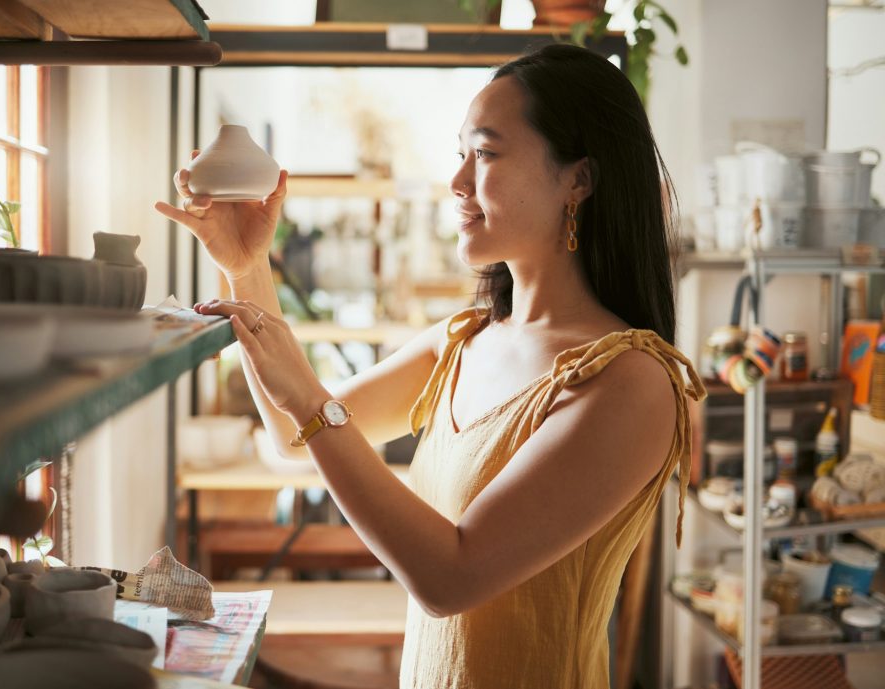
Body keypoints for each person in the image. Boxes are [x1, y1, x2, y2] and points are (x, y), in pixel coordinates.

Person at [156, 43, 706, 689]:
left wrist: (309, 397)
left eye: (488, 153)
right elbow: (292, 439)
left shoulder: (629, 380)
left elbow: (452, 574)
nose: (458, 182)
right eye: (461, 154)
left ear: (578, 180)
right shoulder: (462, 340)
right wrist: (244, 263)